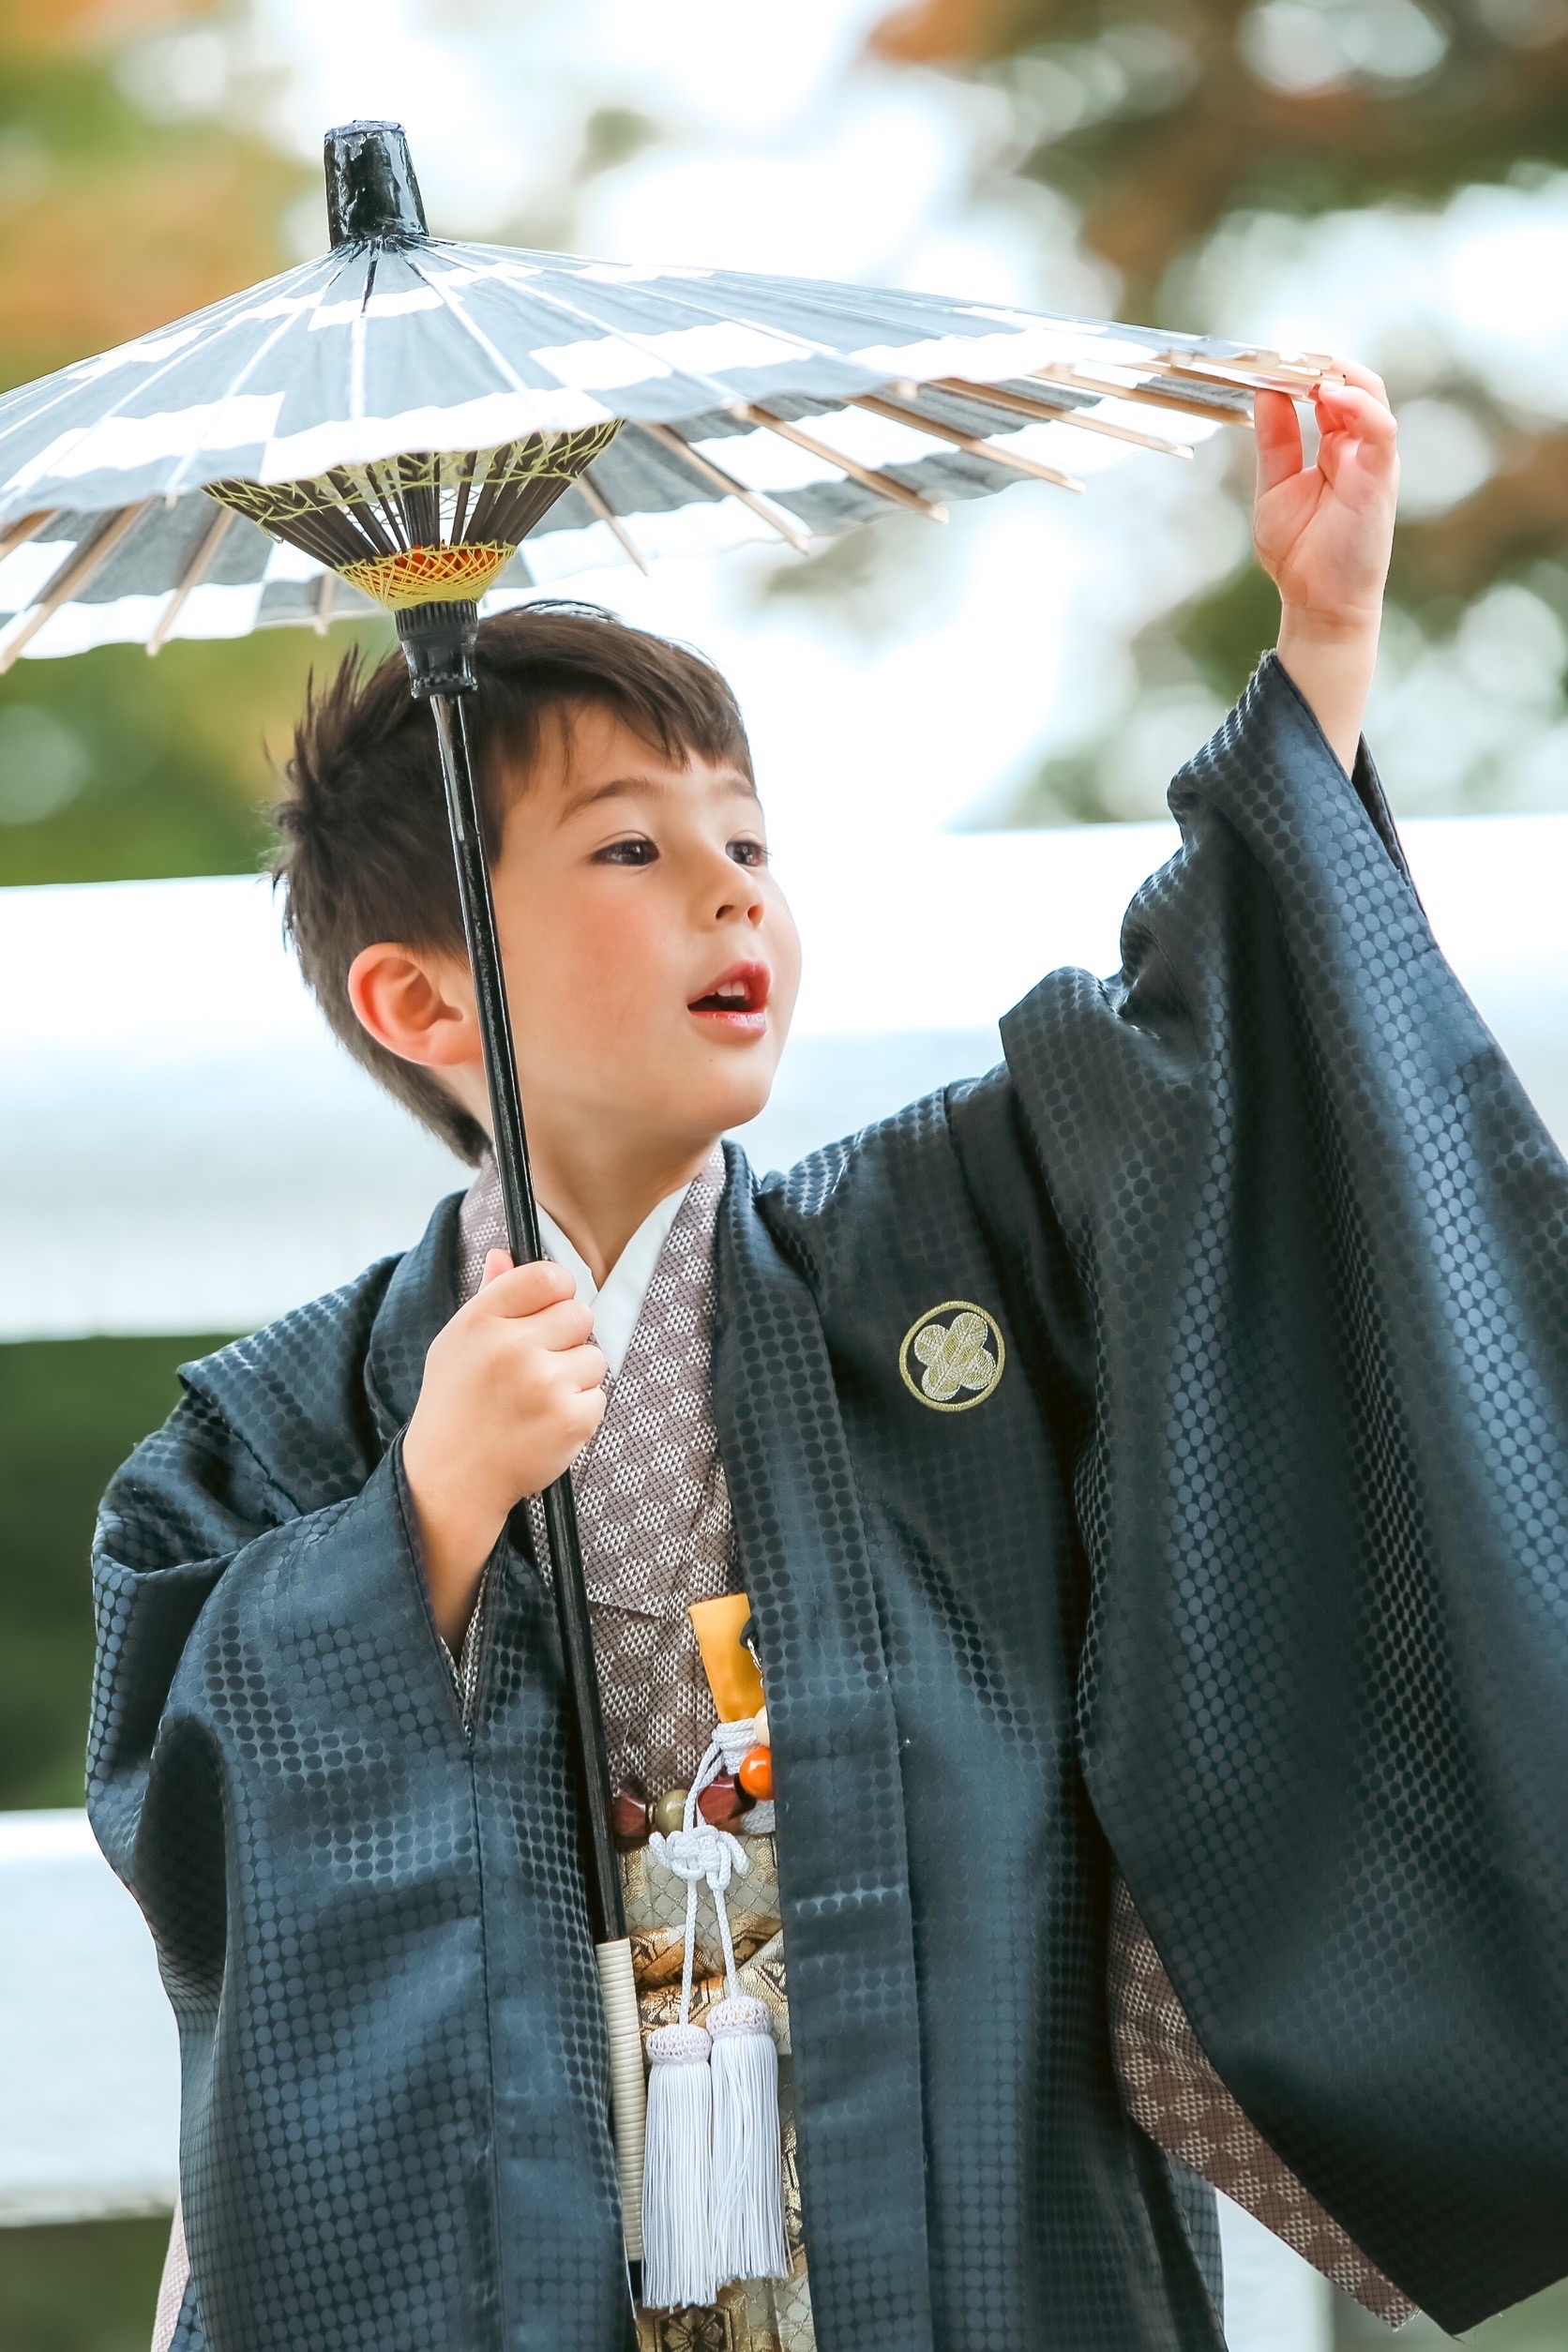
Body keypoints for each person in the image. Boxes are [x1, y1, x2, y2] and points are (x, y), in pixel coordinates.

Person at [89, 363, 1568, 2352]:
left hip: (947, 2187)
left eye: (748, 839)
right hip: (541, 2243)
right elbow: (192, 1815)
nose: (732, 890)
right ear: (422, 1001)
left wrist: (1320, 645)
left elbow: (1204, 1066)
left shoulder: (941, 1245)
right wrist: (419, 1524)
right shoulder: (283, 1434)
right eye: (630, 851)